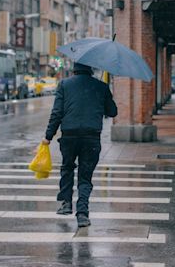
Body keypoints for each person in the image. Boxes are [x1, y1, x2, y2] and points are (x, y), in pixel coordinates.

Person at [41, 62, 118, 227]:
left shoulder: (64, 85)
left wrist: (48, 136)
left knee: (67, 168)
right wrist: (104, 95)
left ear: (74, 69)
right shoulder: (101, 86)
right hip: (91, 138)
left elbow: (57, 113)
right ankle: (82, 214)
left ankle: (66, 204)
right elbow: (112, 112)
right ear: (90, 69)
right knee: (85, 176)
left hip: (69, 136)